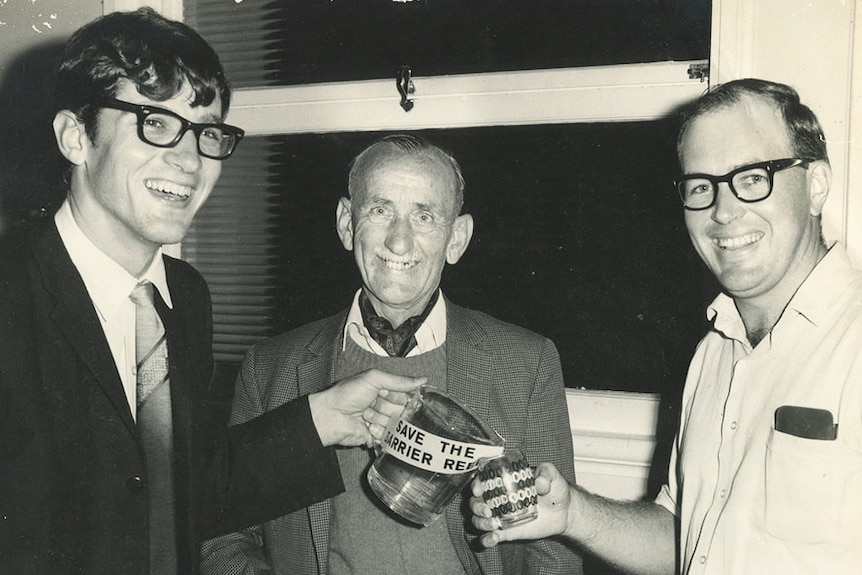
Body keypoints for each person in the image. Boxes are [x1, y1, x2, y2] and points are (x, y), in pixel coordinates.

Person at [0, 9, 422, 575]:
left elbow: (177, 494)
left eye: (207, 132)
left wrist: (321, 418)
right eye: (154, 122)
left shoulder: (184, 297)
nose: (189, 158)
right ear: (76, 137)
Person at [469, 78, 862, 575]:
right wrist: (573, 512)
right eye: (702, 186)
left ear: (816, 185)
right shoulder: (714, 351)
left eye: (752, 177)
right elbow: (685, 537)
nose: (722, 211)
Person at [201, 134, 583, 575]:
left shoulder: (525, 362)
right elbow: (222, 534)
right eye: (380, 211)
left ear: (456, 238)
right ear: (347, 224)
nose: (399, 242)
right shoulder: (270, 369)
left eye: (424, 216)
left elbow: (553, 548)